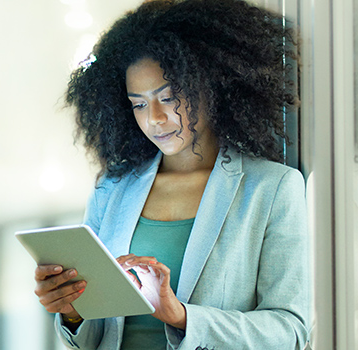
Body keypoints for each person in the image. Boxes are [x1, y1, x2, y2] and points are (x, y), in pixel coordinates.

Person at [32, 0, 309, 349]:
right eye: (139, 103)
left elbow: (292, 331)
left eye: (170, 97)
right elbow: (90, 339)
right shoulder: (113, 188)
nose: (155, 118)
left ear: (211, 86)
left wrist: (182, 317)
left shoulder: (271, 188)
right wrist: (72, 310)